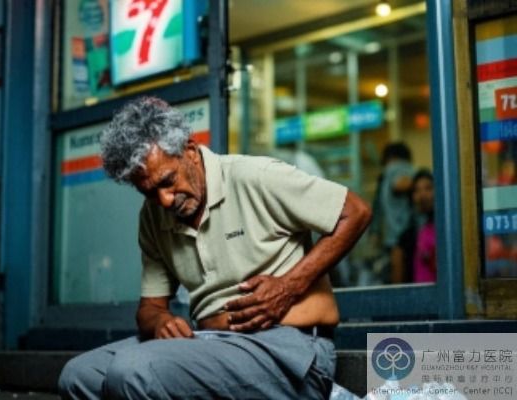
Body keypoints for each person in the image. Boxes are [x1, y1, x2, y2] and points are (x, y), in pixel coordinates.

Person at [58, 97, 372, 400]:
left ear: (190, 151)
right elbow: (150, 308)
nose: (164, 200)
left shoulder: (255, 177)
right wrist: (160, 322)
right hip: (211, 344)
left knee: (133, 371)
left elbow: (355, 212)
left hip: (290, 351)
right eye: (150, 192)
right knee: (79, 376)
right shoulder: (153, 216)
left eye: (168, 181)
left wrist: (289, 286)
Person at [368, 142, 414, 283]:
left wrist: (375, 231)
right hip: (407, 234)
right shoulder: (405, 169)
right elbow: (400, 184)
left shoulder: (387, 173)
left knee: (397, 280)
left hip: (394, 237)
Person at [391, 169, 436, 283]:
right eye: (416, 190)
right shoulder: (405, 238)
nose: (422, 195)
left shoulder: (444, 230)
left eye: (428, 188)